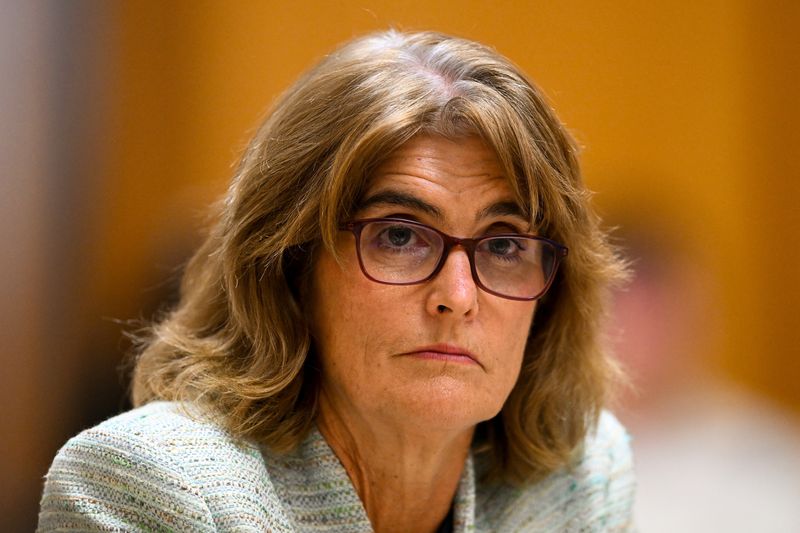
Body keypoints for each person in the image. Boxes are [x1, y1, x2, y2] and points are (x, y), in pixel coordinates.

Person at [38, 30, 634, 532]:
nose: (457, 297)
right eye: (399, 236)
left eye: (504, 245)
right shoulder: (150, 483)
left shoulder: (577, 479)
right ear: (290, 264)